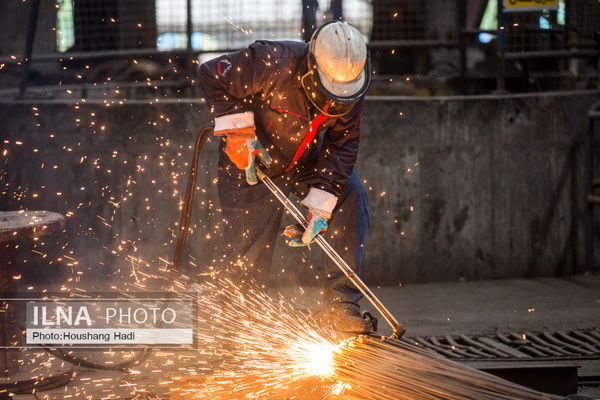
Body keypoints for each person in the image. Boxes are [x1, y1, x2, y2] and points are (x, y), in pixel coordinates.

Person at [197, 21, 372, 334]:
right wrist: (238, 133)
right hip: (255, 158)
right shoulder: (270, 61)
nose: (335, 102)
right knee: (247, 252)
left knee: (352, 195)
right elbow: (211, 74)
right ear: (311, 66)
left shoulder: (352, 83)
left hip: (307, 159)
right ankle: (240, 325)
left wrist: (322, 201)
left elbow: (342, 144)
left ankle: (342, 307)